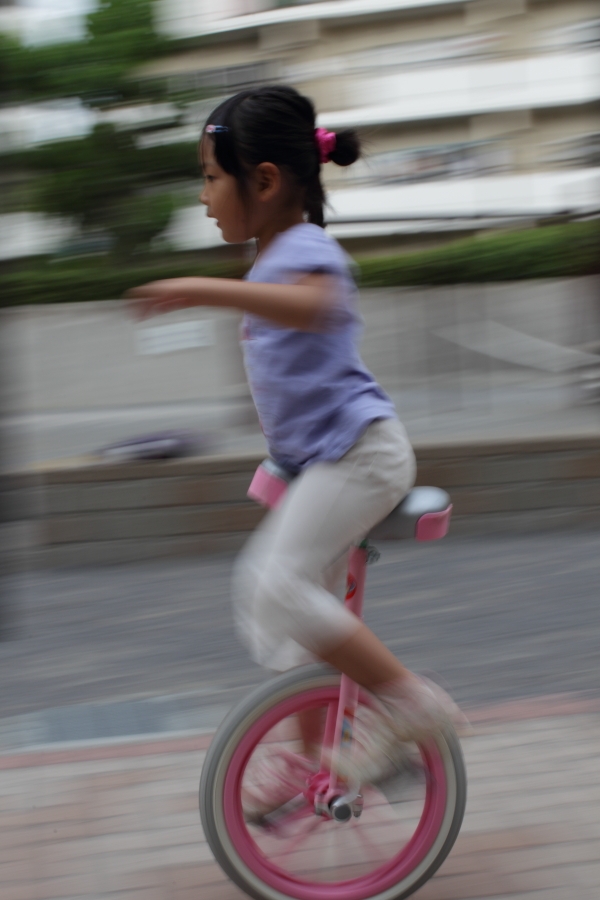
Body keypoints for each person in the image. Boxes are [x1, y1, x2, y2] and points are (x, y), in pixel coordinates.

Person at [128, 85, 459, 821]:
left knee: (274, 581)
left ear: (267, 180)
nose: (205, 197)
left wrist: (202, 290)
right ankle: (314, 760)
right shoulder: (273, 257)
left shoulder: (305, 249)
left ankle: (413, 703)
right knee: (294, 616)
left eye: (211, 178)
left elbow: (317, 307)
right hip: (324, 463)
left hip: (362, 456)